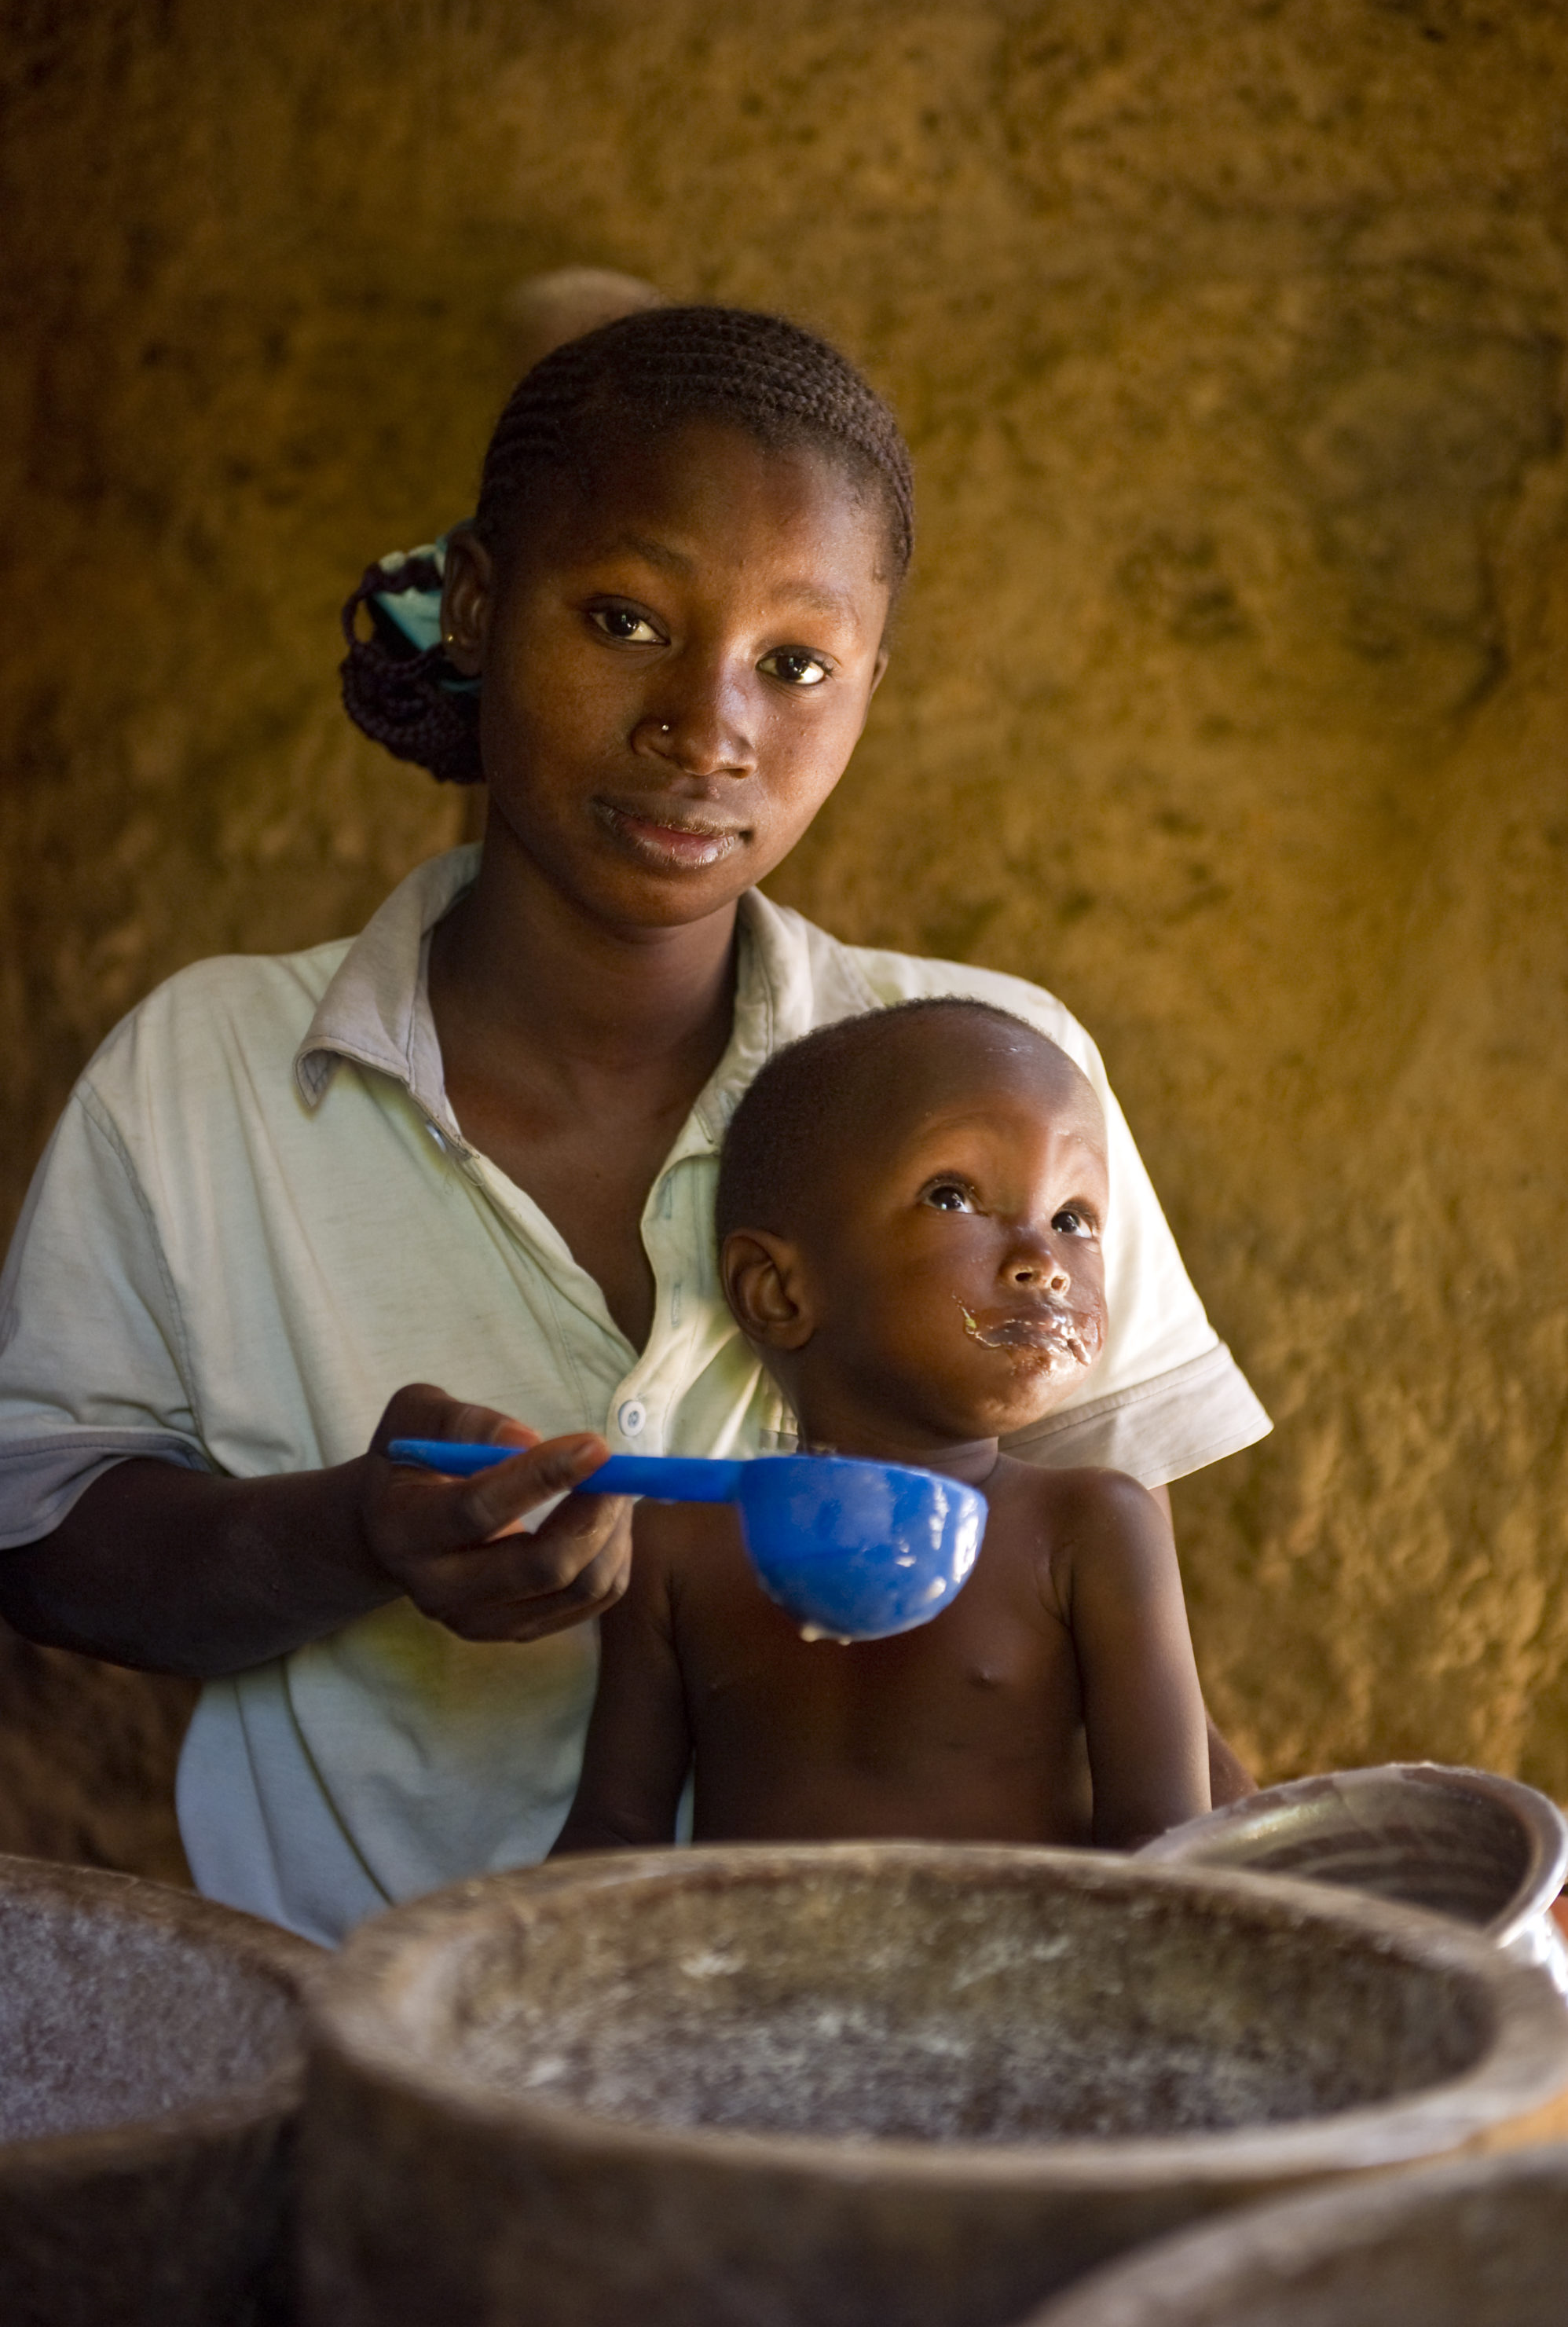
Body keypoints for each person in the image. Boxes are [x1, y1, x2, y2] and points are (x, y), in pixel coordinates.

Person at [0, 306, 1266, 1945]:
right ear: (474, 604)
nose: (707, 725)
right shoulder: (210, 1076)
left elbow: (1123, 1630)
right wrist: (350, 1534)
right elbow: (38, 1541)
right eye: (621, 619)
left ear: (872, 684)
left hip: (914, 2066)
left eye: (793, 663)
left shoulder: (999, 1080)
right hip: (361, 2050)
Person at [554, 1000, 1211, 1856]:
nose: (1042, 1263)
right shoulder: (679, 1545)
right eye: (954, 1196)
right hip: (749, 1985)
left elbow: (1166, 1850)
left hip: (1022, 1986)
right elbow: (614, 1836)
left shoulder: (1091, 1530)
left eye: (1072, 1219)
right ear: (777, 1291)